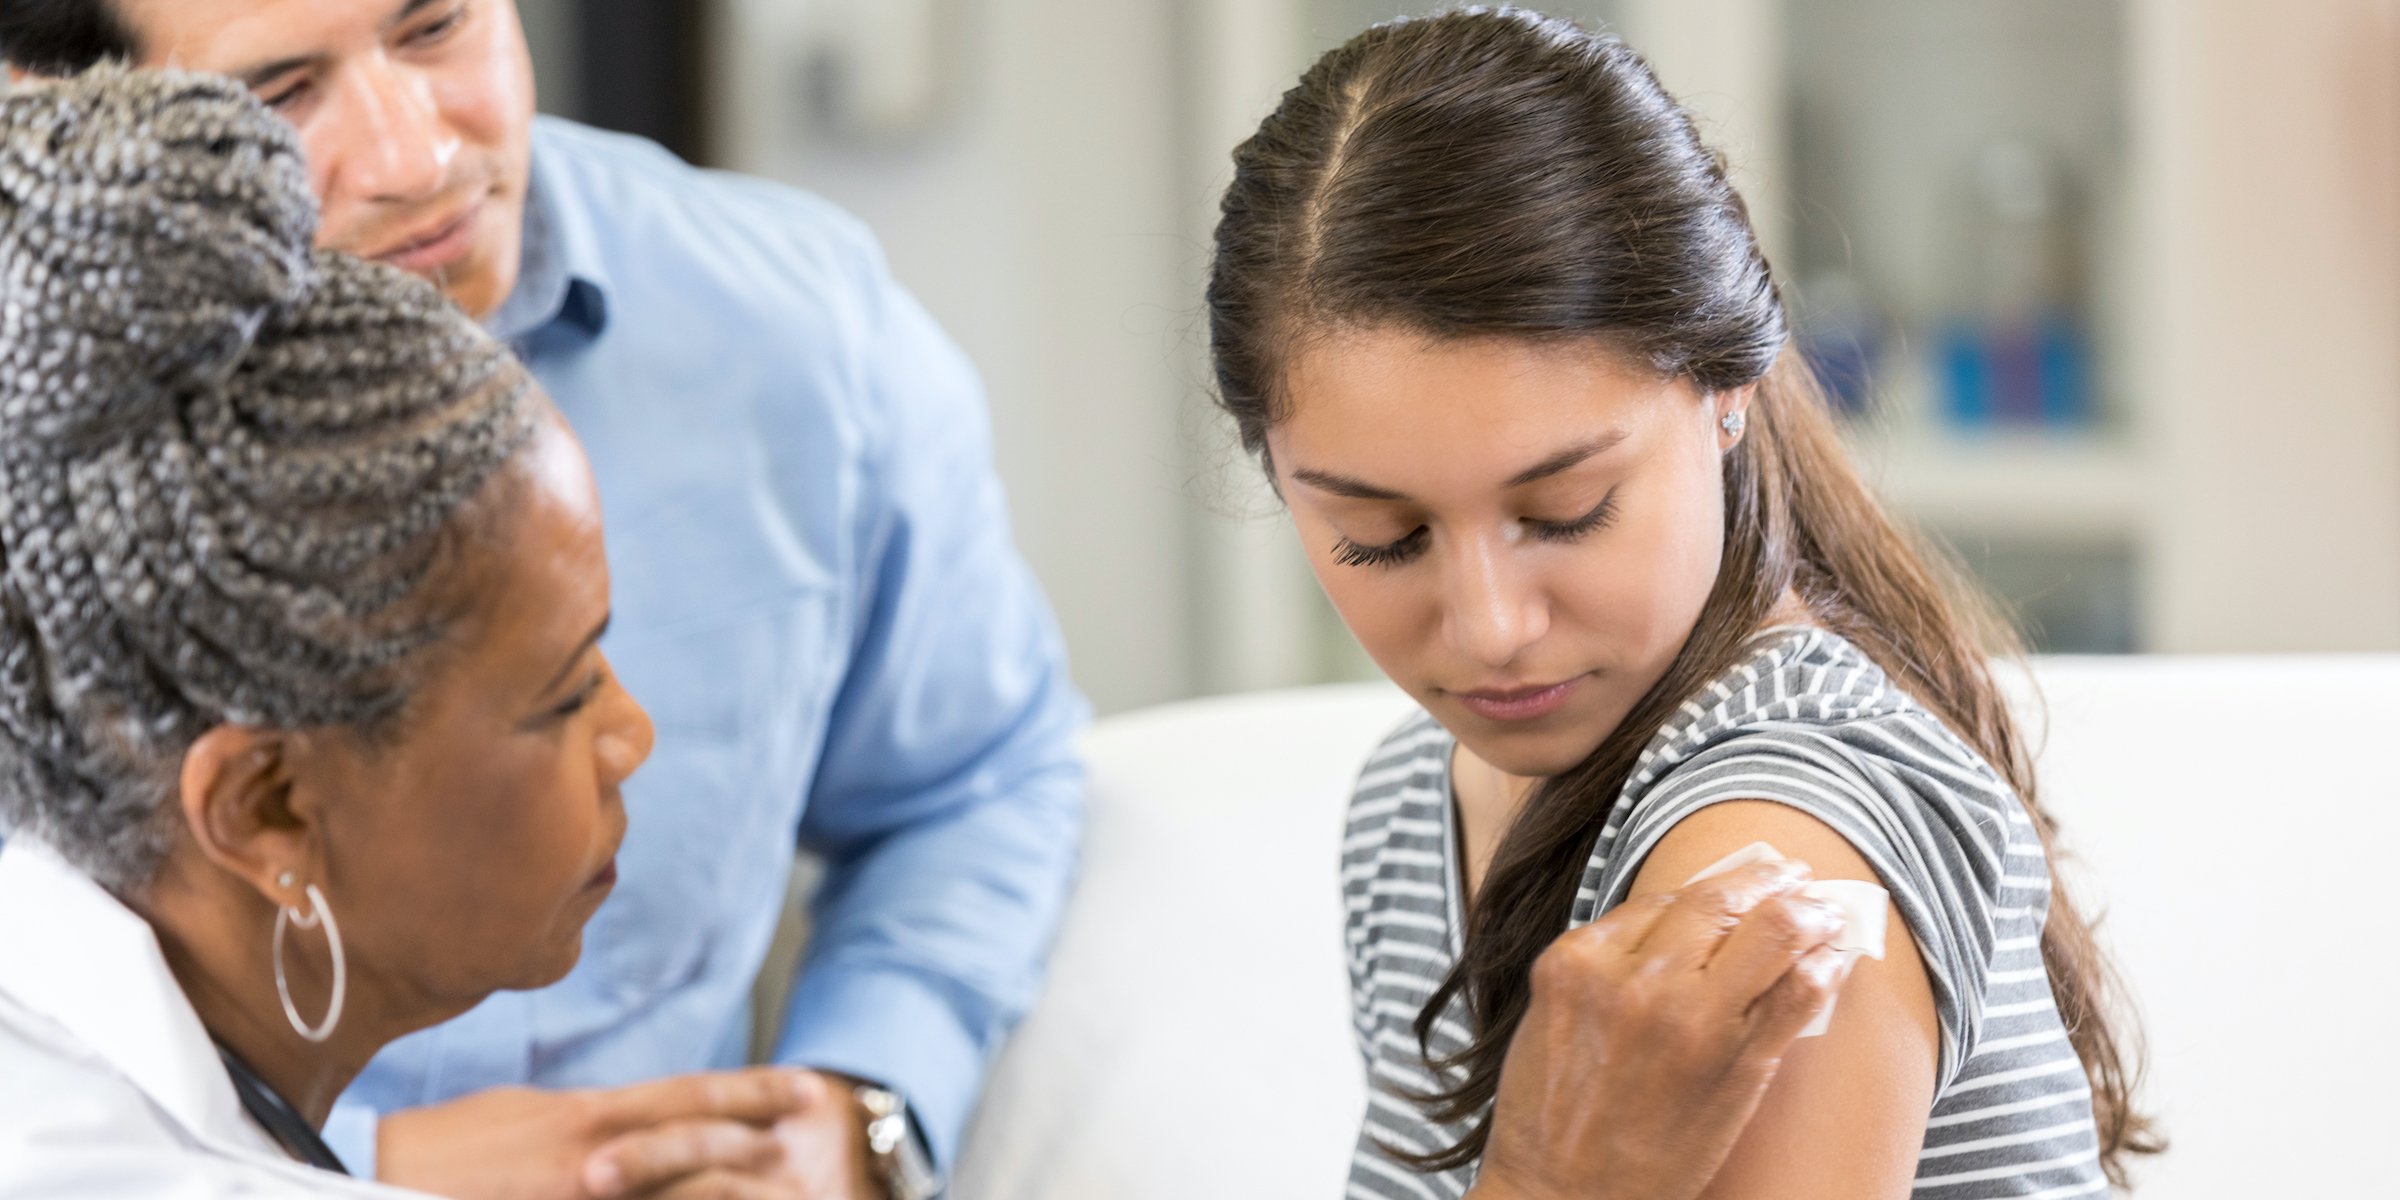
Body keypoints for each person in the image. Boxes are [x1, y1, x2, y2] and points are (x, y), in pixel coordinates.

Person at [0, 3, 1088, 1197]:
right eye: (280, 91)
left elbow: (976, 780)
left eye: (435, 27)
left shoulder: (795, 329)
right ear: (49, 104)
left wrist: (856, 1114)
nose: (418, 159)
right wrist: (337, 1165)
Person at [1206, 10, 2160, 1199]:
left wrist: (1553, 1176)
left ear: (1727, 395)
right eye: (1381, 537)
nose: (1490, 626)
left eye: (1564, 511)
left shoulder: (1775, 854)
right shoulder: (1415, 800)